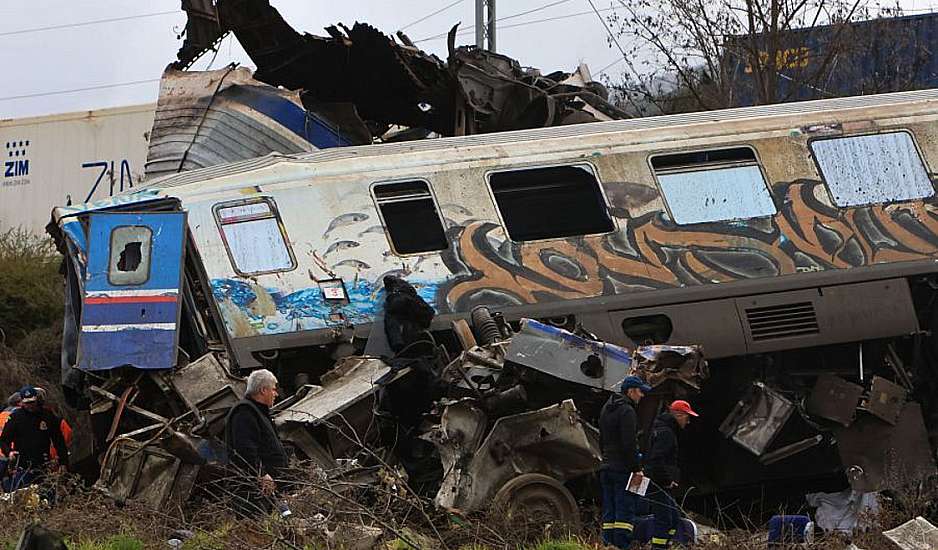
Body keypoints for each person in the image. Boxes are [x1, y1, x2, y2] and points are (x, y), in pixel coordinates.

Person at [224, 369, 290, 517]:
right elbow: (244, 449)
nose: (276, 394)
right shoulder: (244, 412)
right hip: (254, 492)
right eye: (273, 389)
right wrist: (261, 474)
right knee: (256, 529)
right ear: (263, 390)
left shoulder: (259, 412)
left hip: (267, 490)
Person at [598, 375, 652, 549]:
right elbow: (629, 443)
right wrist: (636, 468)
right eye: (640, 391)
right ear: (631, 391)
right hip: (623, 470)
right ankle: (622, 545)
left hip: (606, 467)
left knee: (609, 510)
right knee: (624, 511)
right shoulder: (627, 411)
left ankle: (607, 543)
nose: (642, 395)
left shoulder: (606, 408)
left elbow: (601, 439)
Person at [645, 399, 699, 549]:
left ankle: (668, 544)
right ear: (679, 415)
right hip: (659, 483)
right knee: (665, 519)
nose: (688, 422)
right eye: (687, 417)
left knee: (673, 517)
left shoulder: (660, 428)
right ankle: (659, 547)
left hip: (658, 482)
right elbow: (656, 460)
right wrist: (667, 480)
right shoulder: (666, 433)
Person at [0, 386, 69, 492]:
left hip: (43, 464)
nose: (30, 406)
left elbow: (58, 440)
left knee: (45, 495)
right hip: (22, 464)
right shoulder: (16, 417)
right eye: (27, 403)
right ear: (22, 402)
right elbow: (4, 440)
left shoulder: (47, 416)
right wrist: (9, 452)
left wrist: (63, 462)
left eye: (32, 402)